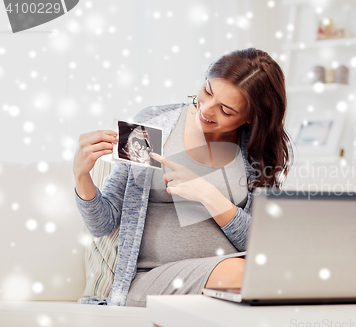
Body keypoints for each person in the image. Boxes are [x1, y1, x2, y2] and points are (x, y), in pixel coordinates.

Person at [73, 48, 293, 307]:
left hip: (231, 285)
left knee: (265, 275)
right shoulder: (156, 125)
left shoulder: (255, 151)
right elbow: (104, 223)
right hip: (154, 281)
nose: (206, 110)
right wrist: (81, 175)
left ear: (251, 118)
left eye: (226, 110)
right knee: (246, 275)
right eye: (208, 91)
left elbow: (256, 243)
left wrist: (208, 195)